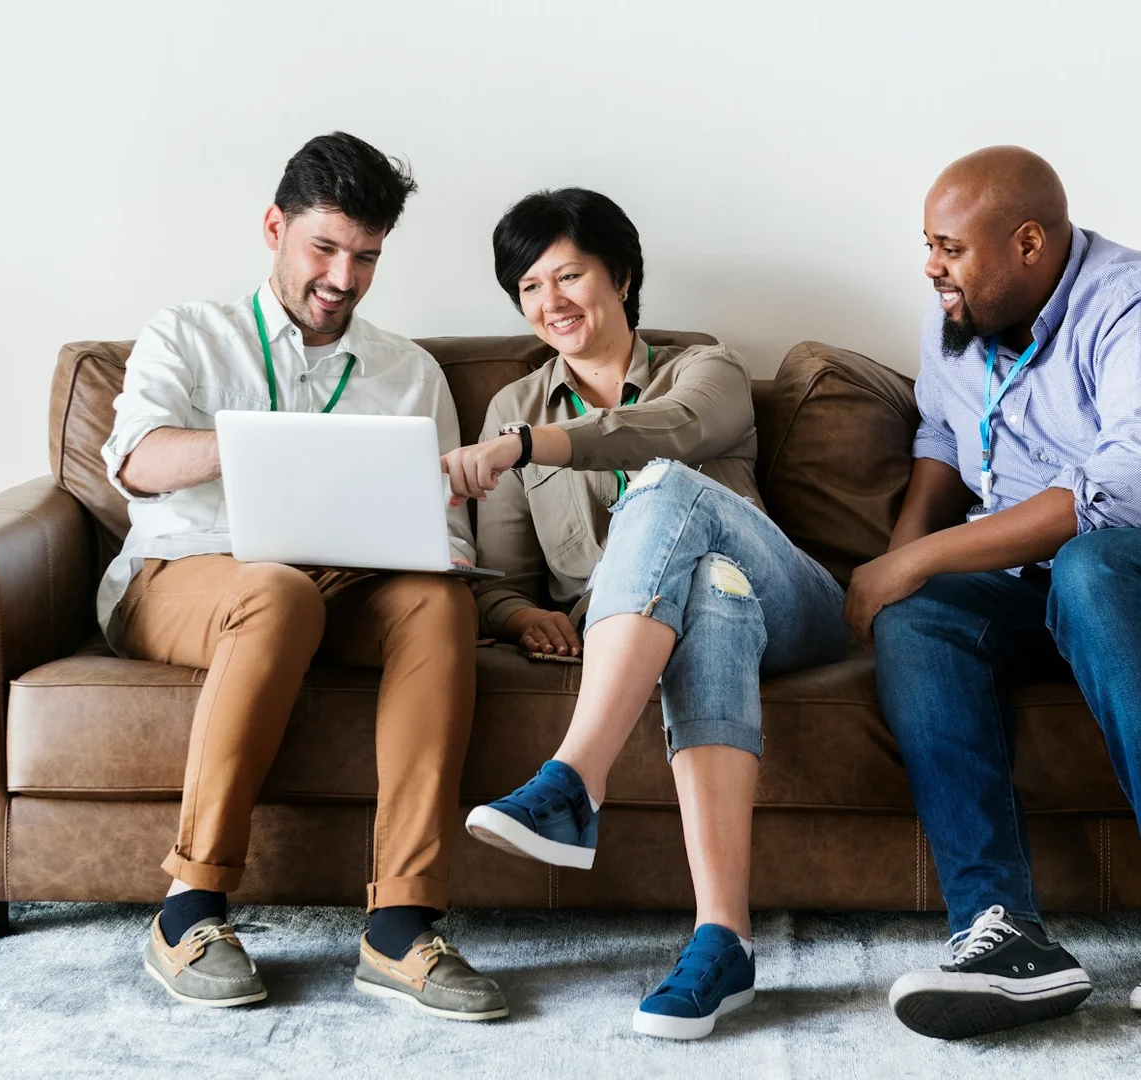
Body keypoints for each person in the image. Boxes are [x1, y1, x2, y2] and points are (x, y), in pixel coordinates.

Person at [847, 146, 1141, 1040]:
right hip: (1065, 593)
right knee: (923, 618)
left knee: (1095, 563)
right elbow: (944, 441)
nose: (931, 267)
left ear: (1027, 243)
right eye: (927, 244)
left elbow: (1127, 497)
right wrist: (899, 568)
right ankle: (1000, 934)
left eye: (949, 248)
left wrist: (920, 558)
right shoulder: (955, 318)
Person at [103, 132, 505, 1020]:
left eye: (365, 257)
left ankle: (400, 925)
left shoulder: (409, 372)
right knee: (274, 591)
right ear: (274, 227)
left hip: (348, 582)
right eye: (324, 248)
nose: (343, 277)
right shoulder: (189, 333)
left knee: (438, 602)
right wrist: (256, 449)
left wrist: (434, 552)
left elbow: (447, 532)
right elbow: (134, 460)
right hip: (189, 571)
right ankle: (189, 910)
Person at [443, 188, 849, 1040]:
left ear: (621, 277)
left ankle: (572, 779)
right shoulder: (511, 405)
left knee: (666, 485)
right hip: (701, 618)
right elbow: (504, 578)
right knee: (711, 601)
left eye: (569, 275)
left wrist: (524, 447)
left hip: (794, 602)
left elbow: (656, 432)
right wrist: (520, 619)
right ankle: (721, 941)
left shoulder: (708, 368)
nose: (548, 302)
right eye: (527, 288)